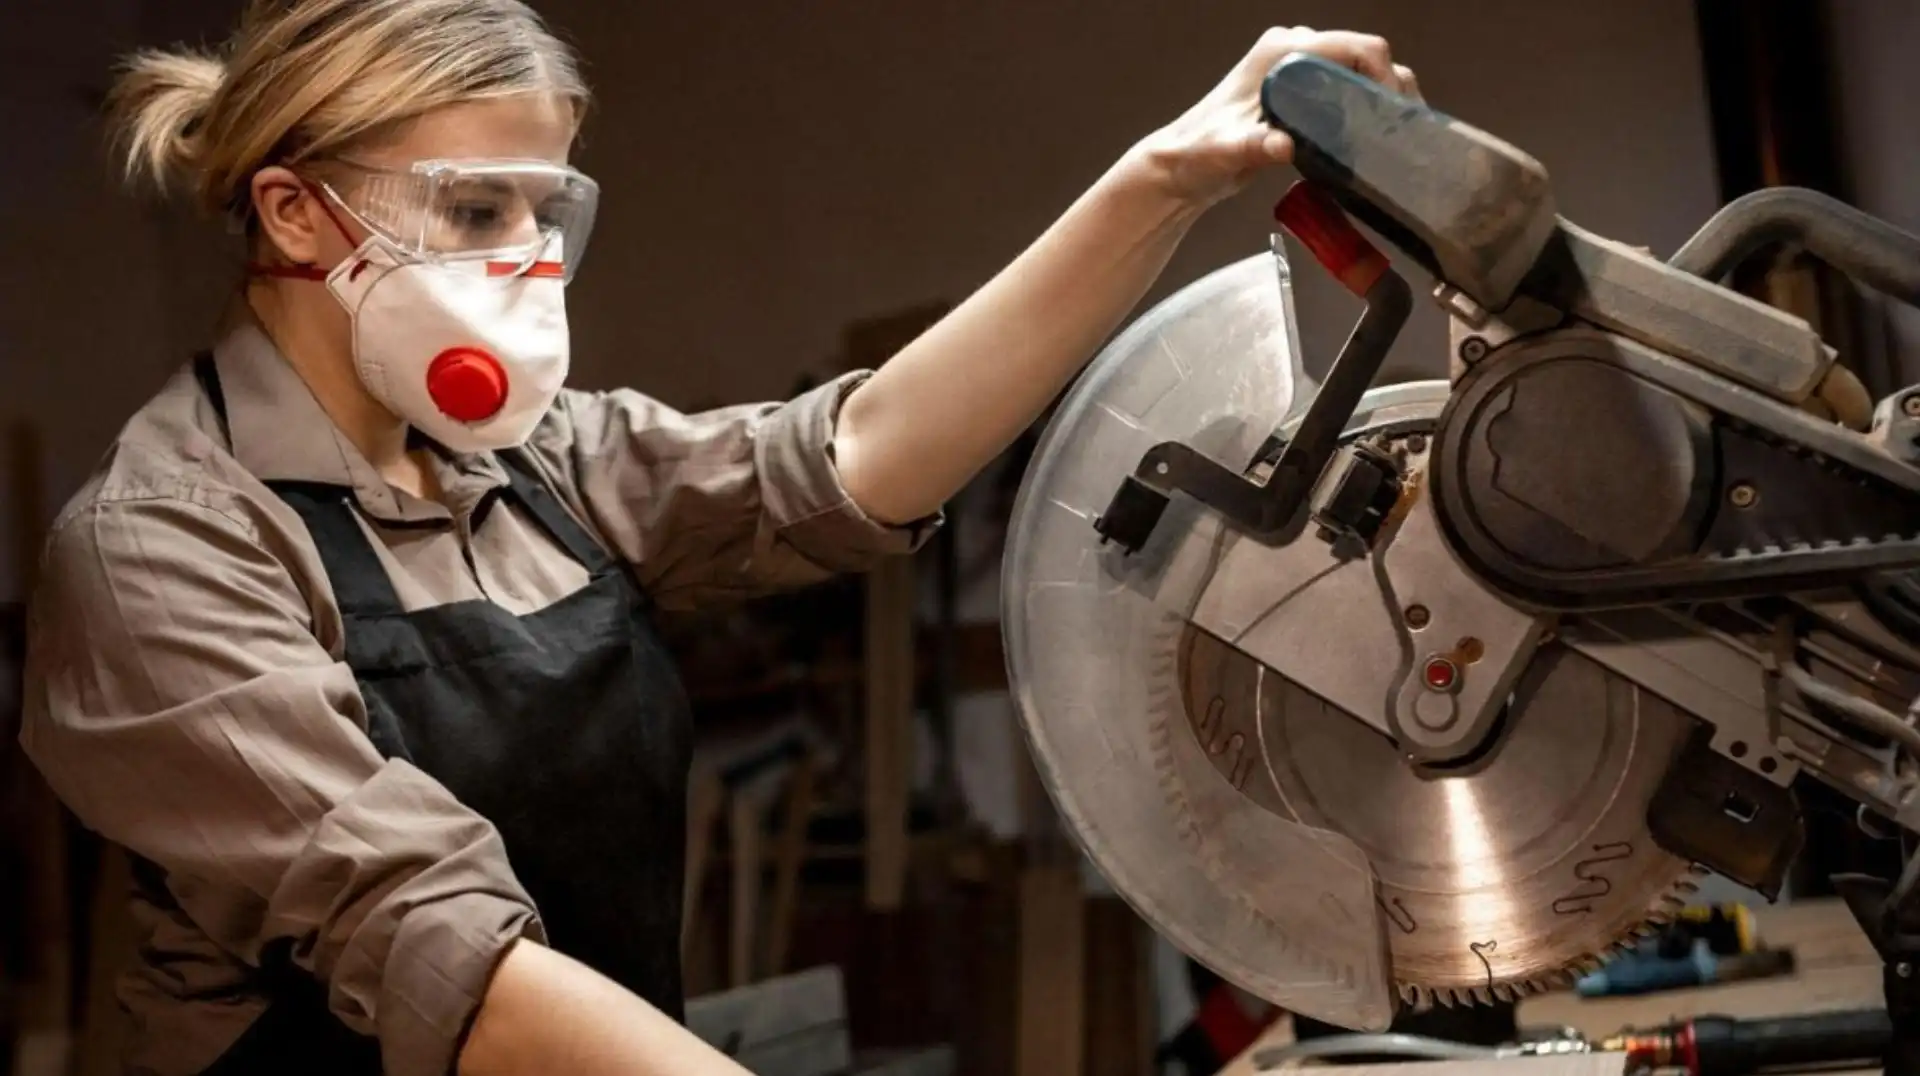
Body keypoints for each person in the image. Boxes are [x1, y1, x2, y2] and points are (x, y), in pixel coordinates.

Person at [18, 2, 1417, 1073]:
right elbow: (445, 959)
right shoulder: (164, 547)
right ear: (290, 212)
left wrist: (1161, 182)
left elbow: (850, 457)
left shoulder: (530, 460)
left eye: (545, 207)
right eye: (473, 208)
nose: (524, 254)